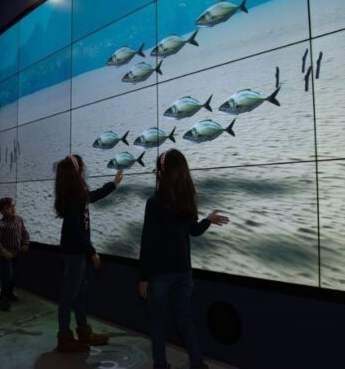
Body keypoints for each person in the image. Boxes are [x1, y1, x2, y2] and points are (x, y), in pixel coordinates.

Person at [138, 149, 230, 369]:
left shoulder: (154, 203)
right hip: (184, 274)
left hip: (160, 275)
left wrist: (143, 277)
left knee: (158, 323)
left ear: (162, 172)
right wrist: (208, 220)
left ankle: (161, 365)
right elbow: (194, 231)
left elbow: (148, 244)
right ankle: (197, 363)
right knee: (185, 320)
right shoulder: (186, 200)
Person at [54, 154, 123, 353]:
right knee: (69, 296)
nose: (85, 167)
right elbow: (76, 230)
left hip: (75, 250)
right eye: (83, 164)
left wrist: (113, 185)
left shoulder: (75, 192)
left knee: (80, 292)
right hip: (75, 251)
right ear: (76, 170)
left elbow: (92, 197)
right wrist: (92, 252)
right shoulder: (74, 195)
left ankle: (83, 332)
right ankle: (64, 338)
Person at [0, 197, 30, 312]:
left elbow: (25, 232)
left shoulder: (19, 220)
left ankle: (9, 294)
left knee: (15, 276)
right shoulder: (0, 225)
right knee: (7, 277)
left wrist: (26, 243)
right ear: (2, 211)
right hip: (6, 257)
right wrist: (4, 251)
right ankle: (3, 300)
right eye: (9, 207)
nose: (13, 208)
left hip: (18, 254)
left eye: (13, 206)